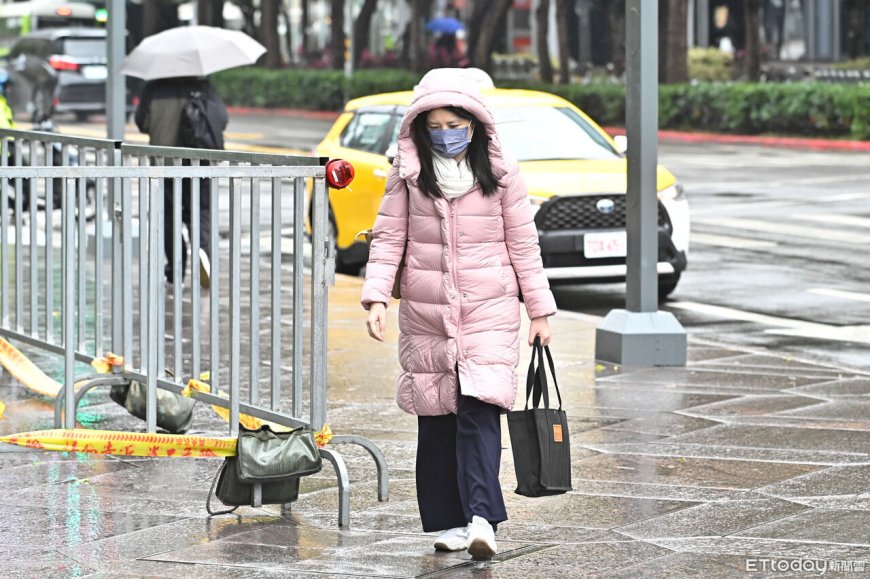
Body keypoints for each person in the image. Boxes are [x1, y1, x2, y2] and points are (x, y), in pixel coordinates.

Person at [361, 68, 555, 561]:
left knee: (479, 412)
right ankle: (450, 521)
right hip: (427, 314)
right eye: (435, 126)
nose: (446, 134)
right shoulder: (408, 175)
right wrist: (376, 297)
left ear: (474, 123)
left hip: (489, 312)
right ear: (419, 128)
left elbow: (524, 244)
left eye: (455, 124)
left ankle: (483, 518)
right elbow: (389, 238)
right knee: (437, 422)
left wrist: (539, 310)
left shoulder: (502, 173)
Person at [134, 76, 228, 288]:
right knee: (201, 213)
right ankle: (204, 258)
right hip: (199, 162)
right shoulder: (203, 87)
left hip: (165, 163)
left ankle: (174, 271)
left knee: (169, 218)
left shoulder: (154, 88)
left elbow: (142, 122)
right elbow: (222, 118)